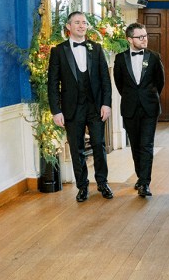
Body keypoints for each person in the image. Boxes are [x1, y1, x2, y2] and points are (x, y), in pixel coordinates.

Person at [47, 11, 113, 202]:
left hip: (95, 107)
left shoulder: (96, 48)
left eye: (84, 22)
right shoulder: (58, 51)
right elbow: (52, 84)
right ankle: (82, 187)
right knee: (77, 149)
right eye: (77, 22)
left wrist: (106, 104)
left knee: (99, 145)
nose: (82, 25)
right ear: (68, 26)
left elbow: (105, 81)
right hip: (71, 109)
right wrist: (56, 110)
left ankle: (102, 183)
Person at [113, 23, 165, 198]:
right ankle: (140, 175)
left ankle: (145, 183)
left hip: (150, 107)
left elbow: (160, 83)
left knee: (146, 145)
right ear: (130, 39)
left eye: (145, 35)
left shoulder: (154, 57)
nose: (144, 39)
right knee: (135, 145)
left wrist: (149, 97)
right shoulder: (120, 59)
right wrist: (131, 97)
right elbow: (119, 84)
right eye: (140, 36)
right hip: (129, 108)